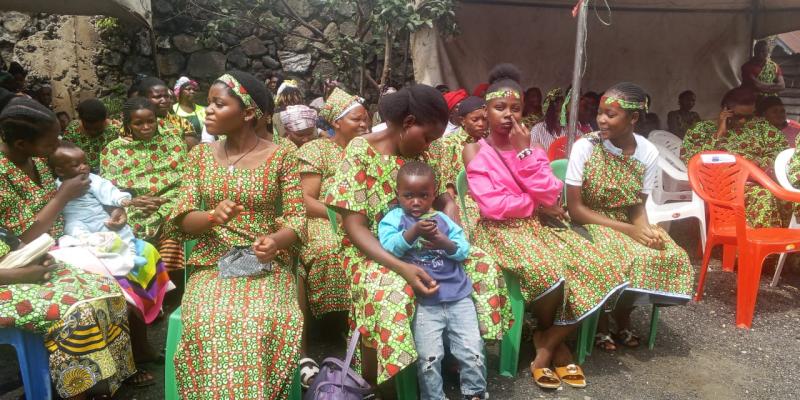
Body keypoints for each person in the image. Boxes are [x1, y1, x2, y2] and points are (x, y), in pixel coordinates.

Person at [324, 84, 511, 390]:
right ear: (408, 123)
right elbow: (354, 227)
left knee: (482, 265)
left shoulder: (424, 153)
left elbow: (443, 200)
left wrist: (449, 226)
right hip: (371, 251)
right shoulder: (360, 152)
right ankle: (391, 380)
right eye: (426, 137)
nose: (429, 146)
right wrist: (401, 267)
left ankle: (460, 351)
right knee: (393, 293)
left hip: (425, 243)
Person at [463, 64, 626, 389]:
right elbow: (493, 207)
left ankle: (548, 339)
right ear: (487, 111)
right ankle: (555, 344)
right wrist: (535, 202)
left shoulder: (532, 148)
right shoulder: (474, 150)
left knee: (604, 265)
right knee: (550, 271)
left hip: (537, 227)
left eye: (515, 108)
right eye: (499, 108)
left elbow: (551, 191)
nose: (508, 115)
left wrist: (525, 154)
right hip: (499, 231)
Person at [167, 70, 305, 398]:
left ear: (247, 113)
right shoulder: (199, 157)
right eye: (208, 104)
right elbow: (181, 221)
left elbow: (297, 221)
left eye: (218, 104)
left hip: (265, 266)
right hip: (213, 263)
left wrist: (275, 241)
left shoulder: (281, 155)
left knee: (258, 321)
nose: (209, 110)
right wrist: (212, 217)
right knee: (210, 320)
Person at [0, 97, 145, 393]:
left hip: (50, 251)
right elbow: (21, 239)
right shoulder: (3, 174)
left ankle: (111, 377)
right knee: (80, 308)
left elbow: (87, 199)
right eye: (50, 142)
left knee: (108, 289)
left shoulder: (37, 160)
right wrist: (62, 196)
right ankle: (78, 387)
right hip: (23, 258)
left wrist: (113, 210)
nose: (57, 146)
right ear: (21, 144)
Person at [566, 82, 694, 351]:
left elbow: (638, 206)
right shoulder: (585, 147)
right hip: (587, 221)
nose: (601, 119)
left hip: (625, 221)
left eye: (610, 114)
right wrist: (630, 231)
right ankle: (600, 321)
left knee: (663, 252)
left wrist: (646, 231)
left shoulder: (647, 152)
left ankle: (623, 315)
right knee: (616, 254)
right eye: (600, 112)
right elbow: (576, 209)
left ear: (633, 118)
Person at [378, 161, 486, 400]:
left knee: (472, 350)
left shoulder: (442, 219)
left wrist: (443, 242)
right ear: (397, 195)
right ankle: (433, 396)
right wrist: (413, 232)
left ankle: (475, 392)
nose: (415, 202)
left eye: (423, 196)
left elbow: (463, 249)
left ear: (433, 194)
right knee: (429, 357)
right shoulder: (394, 219)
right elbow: (388, 246)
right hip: (426, 302)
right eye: (408, 196)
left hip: (458, 295)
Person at [294, 87, 369, 387]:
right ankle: (333, 322)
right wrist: (341, 216)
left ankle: (357, 325)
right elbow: (306, 200)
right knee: (329, 249)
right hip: (325, 219)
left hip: (363, 219)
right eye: (357, 120)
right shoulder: (317, 151)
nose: (364, 125)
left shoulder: (369, 149)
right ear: (336, 123)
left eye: (366, 119)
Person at [682, 87, 791, 228]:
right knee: (763, 197)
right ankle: (758, 245)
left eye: (749, 117)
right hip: (721, 185)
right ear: (725, 110)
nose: (743, 121)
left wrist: (756, 164)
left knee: (789, 198)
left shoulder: (760, 127)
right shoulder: (702, 129)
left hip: (760, 178)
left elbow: (780, 151)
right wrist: (718, 134)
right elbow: (692, 160)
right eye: (738, 116)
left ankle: (786, 244)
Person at [101, 97, 188, 271]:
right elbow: (108, 191)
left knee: (173, 233)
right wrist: (134, 201)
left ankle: (169, 286)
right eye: (138, 123)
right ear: (128, 125)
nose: (146, 127)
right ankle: (139, 281)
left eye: (151, 121)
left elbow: (186, 180)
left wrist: (160, 202)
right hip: (132, 205)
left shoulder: (173, 142)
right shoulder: (114, 150)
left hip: (171, 202)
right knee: (122, 231)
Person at [427, 96, 487, 234]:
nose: (481, 124)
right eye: (475, 120)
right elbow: (447, 185)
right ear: (462, 121)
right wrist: (452, 209)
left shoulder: (489, 142)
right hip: (463, 200)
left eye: (484, 119)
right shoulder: (449, 143)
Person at [62, 99, 121, 173]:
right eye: (87, 128)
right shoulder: (73, 130)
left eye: (97, 129)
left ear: (105, 119)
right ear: (80, 120)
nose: (92, 132)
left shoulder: (114, 131)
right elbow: (65, 153)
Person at [138, 76, 198, 148]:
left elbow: (193, 149)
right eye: (157, 97)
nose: (164, 101)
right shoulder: (133, 123)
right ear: (144, 99)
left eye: (166, 96)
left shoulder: (181, 123)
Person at [172, 76, 211, 143]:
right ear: (180, 92)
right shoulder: (173, 109)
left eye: (194, 89)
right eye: (188, 89)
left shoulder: (202, 109)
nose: (192, 91)